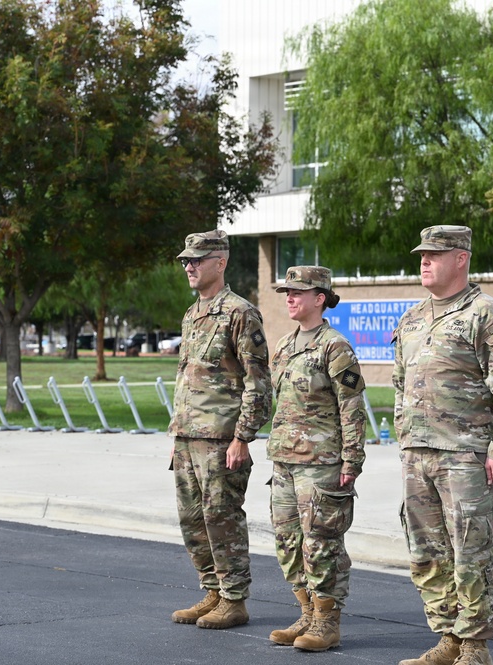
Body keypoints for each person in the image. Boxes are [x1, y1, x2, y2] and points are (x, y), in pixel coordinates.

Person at [392, 226, 493, 665]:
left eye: (436, 253)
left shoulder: (487, 314)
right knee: (427, 553)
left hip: (466, 454)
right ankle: (447, 637)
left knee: (470, 551)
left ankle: (474, 646)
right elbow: (400, 384)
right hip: (418, 454)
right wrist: (404, 440)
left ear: (462, 258)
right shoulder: (412, 318)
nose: (425, 261)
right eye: (422, 254)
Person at [168, 229, 271, 630]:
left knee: (222, 517)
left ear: (221, 261)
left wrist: (243, 436)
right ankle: (212, 589)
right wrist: (178, 433)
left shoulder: (241, 313)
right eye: (185, 261)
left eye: (196, 259)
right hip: (187, 436)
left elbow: (258, 381)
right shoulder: (193, 313)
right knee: (192, 519)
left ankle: (234, 599)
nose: (189, 266)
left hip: (221, 440)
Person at [266, 265, 366, 652]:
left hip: (322, 463)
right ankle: (306, 612)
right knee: (288, 542)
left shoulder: (334, 346)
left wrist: (351, 461)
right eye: (286, 293)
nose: (289, 298)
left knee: (321, 543)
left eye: (297, 292)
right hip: (284, 461)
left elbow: (352, 407)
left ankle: (327, 620)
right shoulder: (285, 345)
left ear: (319, 298)